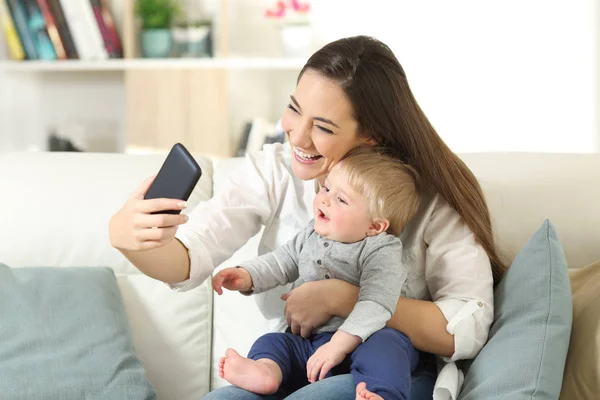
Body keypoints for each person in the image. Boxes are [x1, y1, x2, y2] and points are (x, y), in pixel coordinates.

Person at [108, 35, 502, 400]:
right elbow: (191, 258)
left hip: (386, 372)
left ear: (372, 137)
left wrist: (342, 297)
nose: (296, 137)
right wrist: (129, 238)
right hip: (299, 359)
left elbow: (468, 323)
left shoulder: (426, 199)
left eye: (324, 127)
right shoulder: (275, 171)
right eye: (295, 109)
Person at [211, 147, 421, 400]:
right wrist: (247, 275)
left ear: (374, 226)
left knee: (390, 345)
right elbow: (284, 260)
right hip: (309, 344)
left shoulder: (381, 249)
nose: (325, 199)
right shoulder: (312, 232)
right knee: (273, 342)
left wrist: (337, 345)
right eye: (326, 188)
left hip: (362, 341)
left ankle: (381, 394)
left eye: (341, 200)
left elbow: (377, 304)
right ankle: (266, 371)